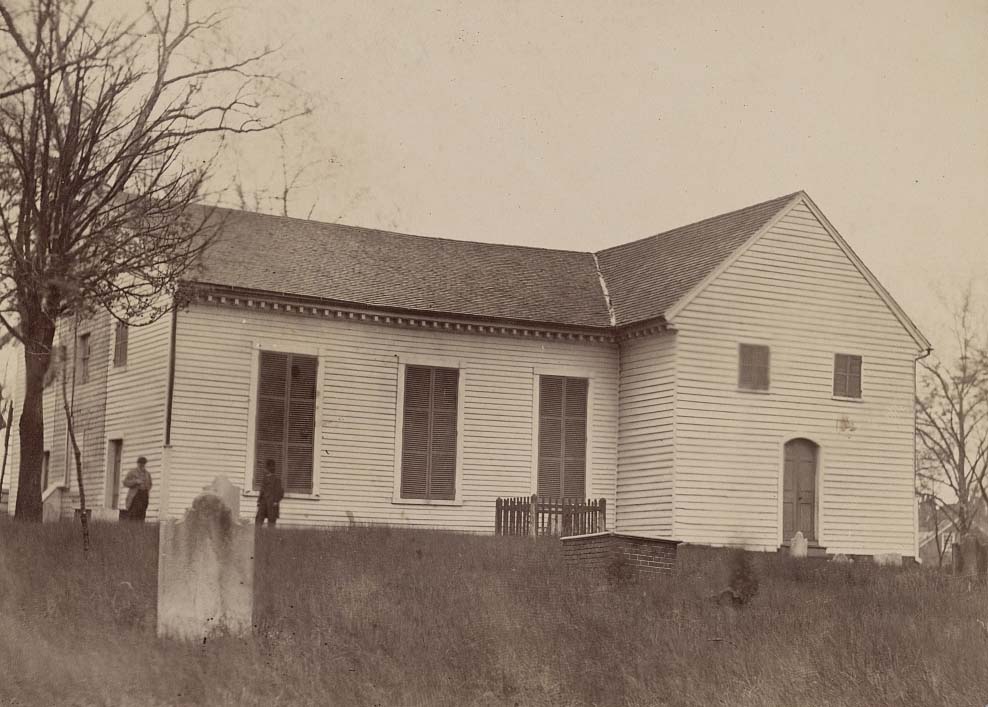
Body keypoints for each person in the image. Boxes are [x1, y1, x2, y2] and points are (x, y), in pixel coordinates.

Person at [122, 456, 152, 521]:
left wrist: (146, 487)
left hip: (144, 495)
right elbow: (125, 482)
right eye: (140, 463)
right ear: (137, 463)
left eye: (143, 463)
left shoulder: (147, 474)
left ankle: (140, 528)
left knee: (142, 514)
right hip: (135, 496)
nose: (142, 465)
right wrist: (135, 481)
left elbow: (150, 484)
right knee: (134, 514)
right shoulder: (132, 472)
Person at [256, 459, 284, 527]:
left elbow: (280, 492)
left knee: (271, 521)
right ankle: (258, 535)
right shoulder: (264, 479)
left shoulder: (276, 480)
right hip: (263, 502)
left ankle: (270, 536)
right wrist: (259, 501)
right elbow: (262, 491)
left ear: (269, 469)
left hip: (271, 503)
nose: (264, 470)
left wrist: (276, 501)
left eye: (265, 468)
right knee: (259, 519)